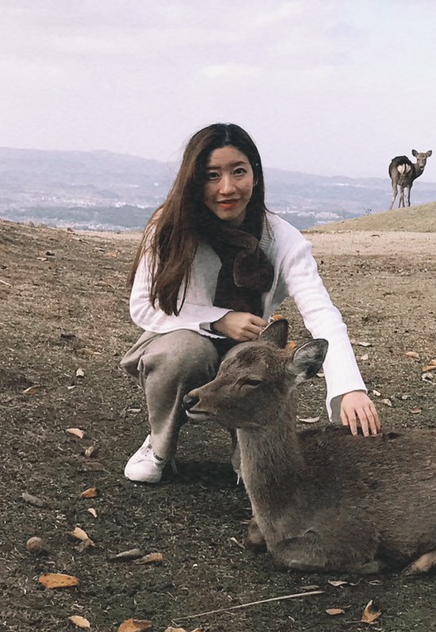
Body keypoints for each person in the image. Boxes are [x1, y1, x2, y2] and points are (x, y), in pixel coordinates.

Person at [121, 122, 381, 484]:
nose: (227, 188)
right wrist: (219, 319)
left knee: (258, 367)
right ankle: (160, 446)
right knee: (186, 353)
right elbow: (144, 307)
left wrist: (349, 387)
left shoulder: (282, 238)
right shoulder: (169, 228)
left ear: (255, 176)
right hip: (176, 339)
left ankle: (246, 452)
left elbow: (321, 312)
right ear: (194, 180)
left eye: (238, 172)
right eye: (212, 175)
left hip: (244, 349)